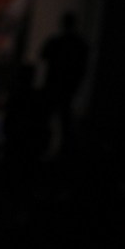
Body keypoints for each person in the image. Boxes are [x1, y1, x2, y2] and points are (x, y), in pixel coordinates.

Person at [38, 11, 90, 159]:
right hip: (66, 89)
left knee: (49, 121)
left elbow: (43, 57)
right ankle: (62, 153)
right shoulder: (79, 45)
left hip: (55, 88)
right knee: (62, 122)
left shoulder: (56, 42)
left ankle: (46, 150)